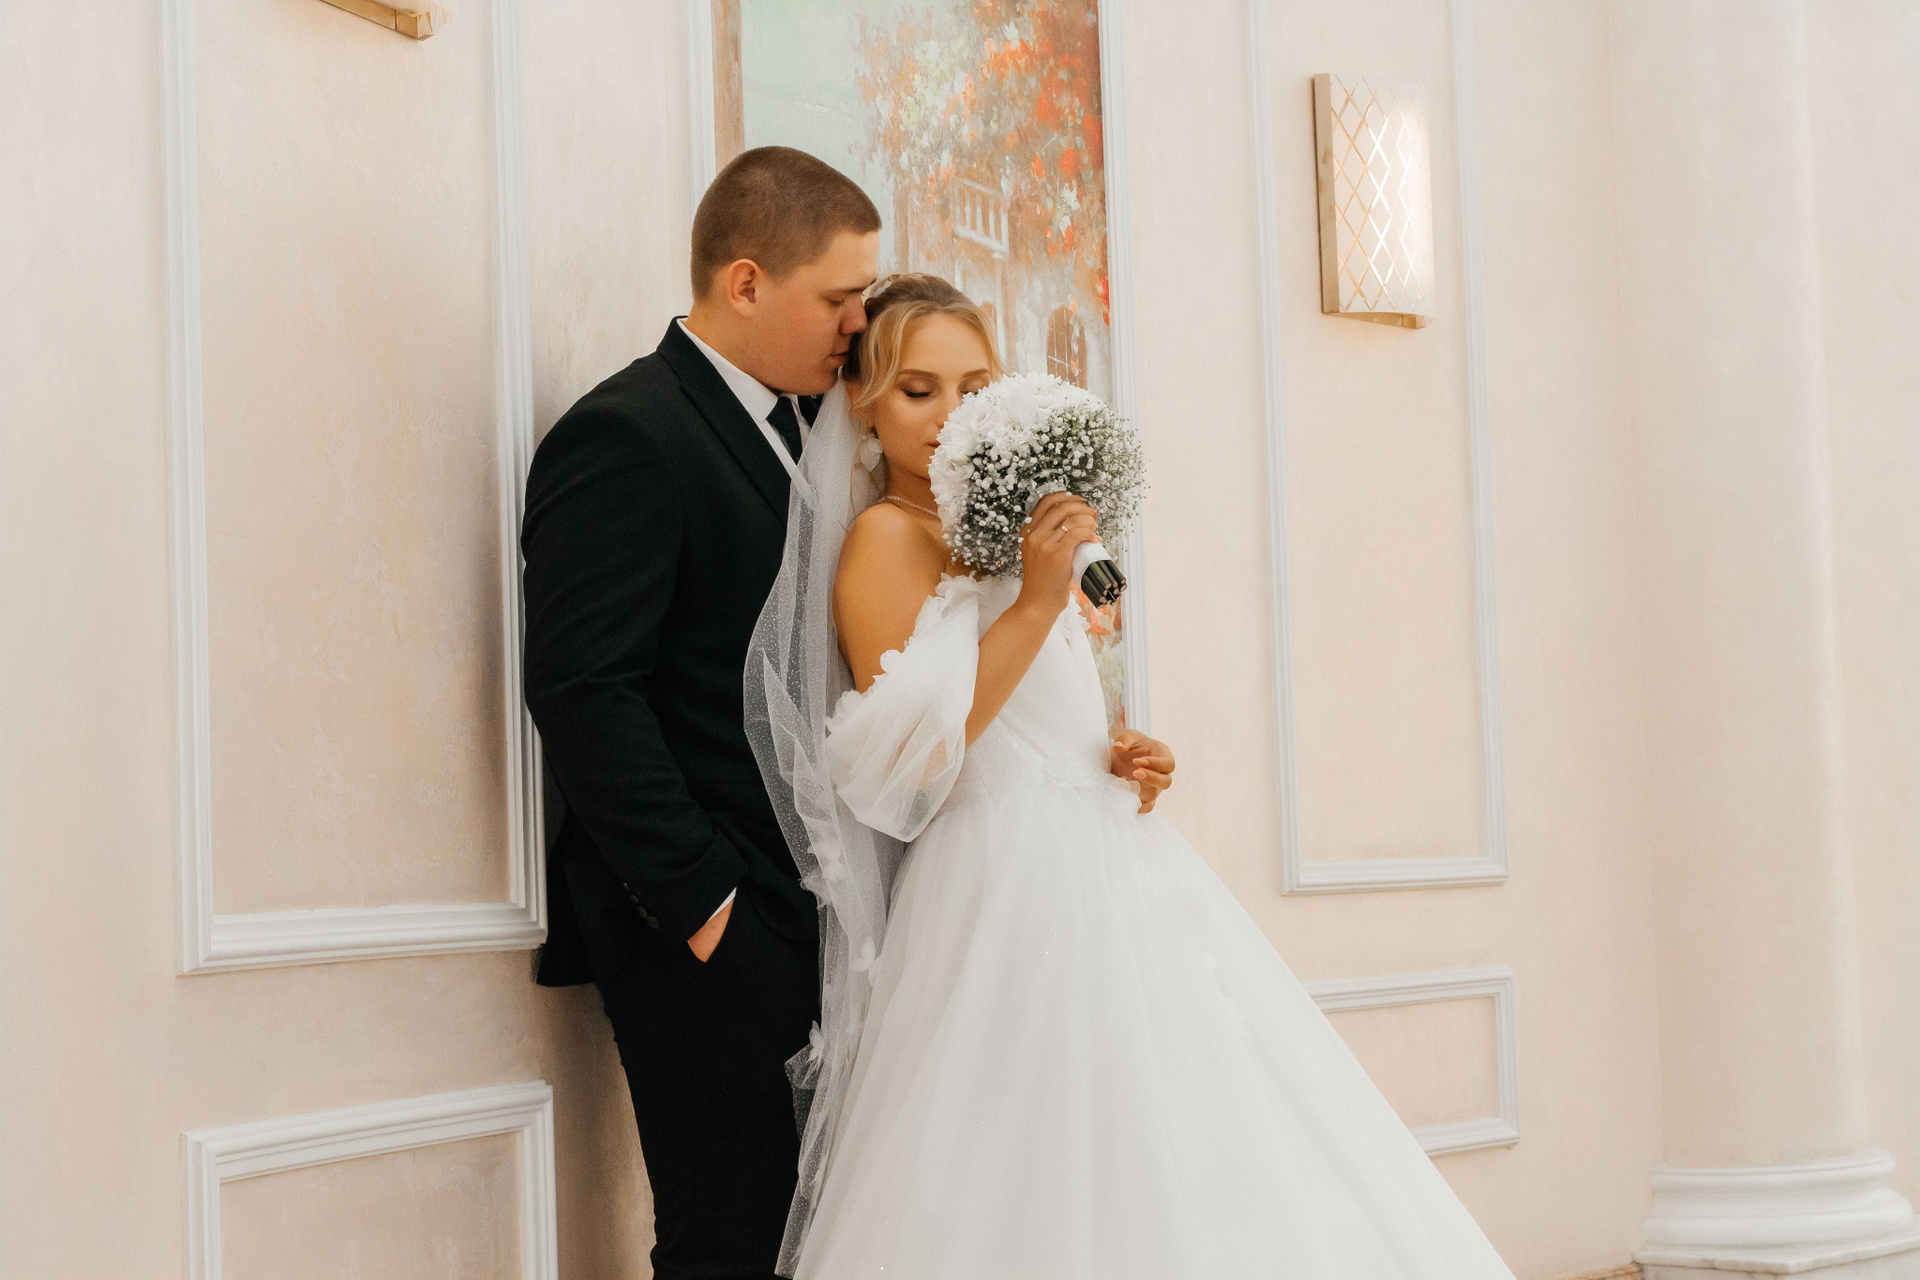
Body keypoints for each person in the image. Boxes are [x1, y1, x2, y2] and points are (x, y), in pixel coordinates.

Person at [744, 274, 1521, 1278]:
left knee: (1181, 1139)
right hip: (1002, 882)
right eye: (916, 389)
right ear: (863, 402)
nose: (947, 414)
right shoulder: (884, 537)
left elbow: (1028, 704)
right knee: (1028, 1159)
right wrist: (1035, 601)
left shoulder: (1006, 531)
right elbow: (912, 766)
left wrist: (1115, 749)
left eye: (972, 387)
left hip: (1110, 859)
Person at [520, 146, 878, 1280]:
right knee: (730, 1239)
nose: (860, 324)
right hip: (709, 933)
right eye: (840, 296)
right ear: (746, 282)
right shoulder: (630, 431)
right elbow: (582, 687)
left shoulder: (819, 435)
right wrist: (708, 907)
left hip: (818, 917)